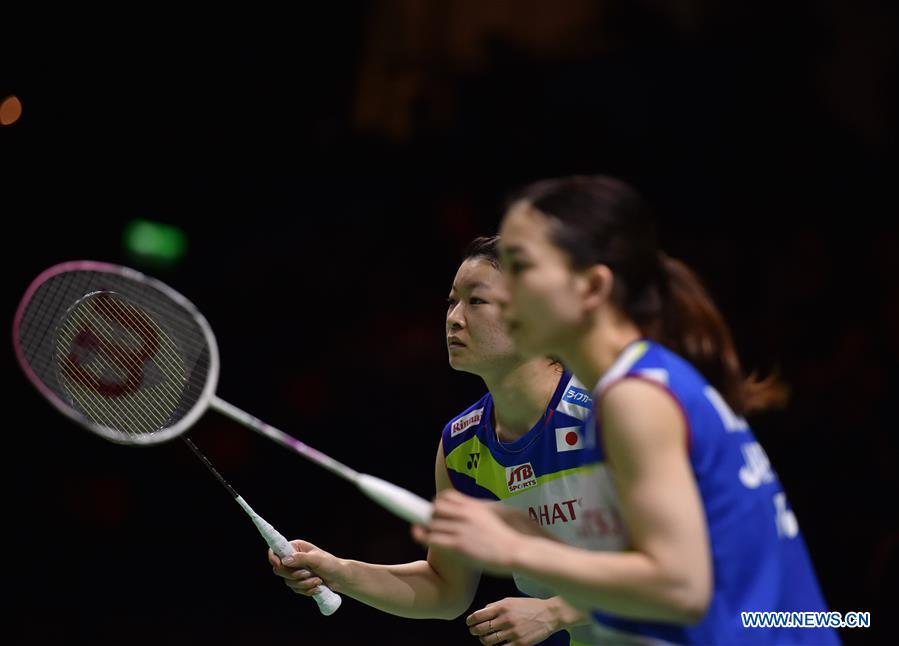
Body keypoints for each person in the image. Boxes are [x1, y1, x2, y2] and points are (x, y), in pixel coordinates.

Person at [416, 176, 840, 645]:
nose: (502, 292)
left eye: (522, 266)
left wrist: (518, 551)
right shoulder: (643, 379)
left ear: (592, 287)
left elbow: (680, 586)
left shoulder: (633, 400)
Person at [270, 236, 606, 645]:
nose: (454, 318)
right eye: (451, 302)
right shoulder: (462, 447)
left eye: (476, 301)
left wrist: (556, 611)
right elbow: (446, 588)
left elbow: (691, 555)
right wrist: (339, 571)